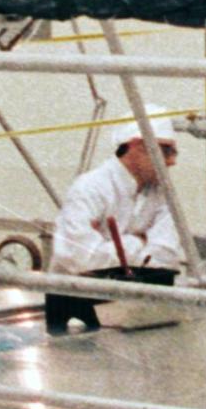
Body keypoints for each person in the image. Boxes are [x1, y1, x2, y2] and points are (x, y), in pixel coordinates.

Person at [45, 128, 181, 330]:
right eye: (167, 151)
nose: (172, 161)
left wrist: (110, 251)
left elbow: (166, 255)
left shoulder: (162, 193)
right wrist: (139, 241)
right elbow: (79, 258)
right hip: (79, 305)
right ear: (137, 146)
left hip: (139, 310)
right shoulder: (89, 188)